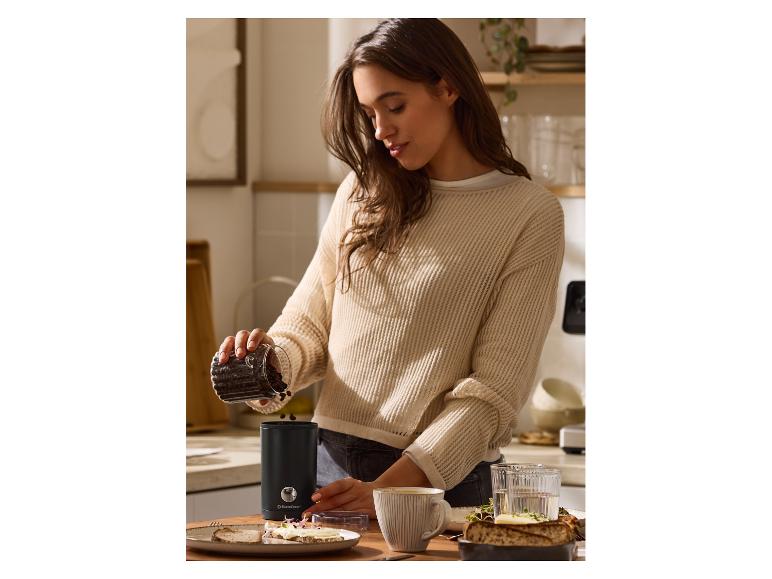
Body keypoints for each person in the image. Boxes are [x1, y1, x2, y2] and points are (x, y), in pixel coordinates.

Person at [215, 18, 565, 519]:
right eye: (369, 113)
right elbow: (311, 326)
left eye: (394, 105)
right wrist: (266, 365)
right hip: (325, 472)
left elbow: (494, 392)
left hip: (439, 481)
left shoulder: (528, 213)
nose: (381, 131)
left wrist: (393, 487)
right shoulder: (362, 192)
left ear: (447, 86)